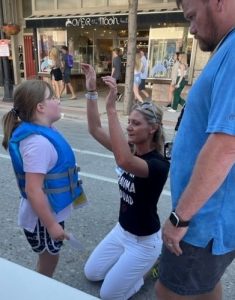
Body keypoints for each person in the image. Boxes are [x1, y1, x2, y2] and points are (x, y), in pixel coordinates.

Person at [156, 0, 235, 299]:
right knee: (203, 287)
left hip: (203, 222)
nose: (190, 28)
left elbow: (226, 146)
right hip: (214, 218)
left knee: (169, 292)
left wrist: (180, 218)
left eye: (191, 16)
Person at [81, 63, 169, 300]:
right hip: (122, 231)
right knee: (91, 273)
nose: (129, 127)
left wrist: (111, 108)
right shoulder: (129, 150)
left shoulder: (158, 165)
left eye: (136, 123)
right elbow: (94, 129)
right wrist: (91, 91)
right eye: (128, 121)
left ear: (153, 128)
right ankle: (128, 266)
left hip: (144, 241)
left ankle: (149, 268)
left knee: (108, 295)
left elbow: (124, 160)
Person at [1, 80, 84, 278]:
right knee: (49, 259)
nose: (58, 101)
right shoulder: (37, 143)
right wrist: (52, 225)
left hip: (47, 215)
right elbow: (33, 189)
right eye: (53, 98)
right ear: (40, 107)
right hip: (42, 220)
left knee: (49, 257)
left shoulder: (45, 134)